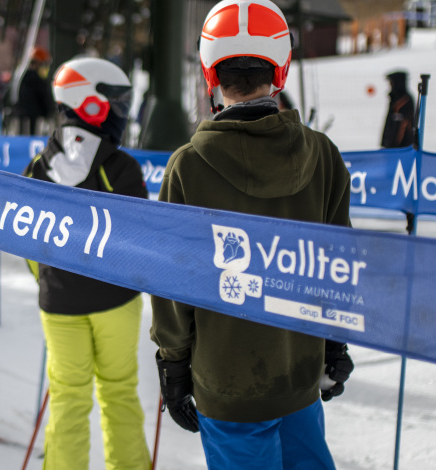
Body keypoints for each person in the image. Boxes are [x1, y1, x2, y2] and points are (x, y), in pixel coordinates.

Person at [150, 1, 355, 468]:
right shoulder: (322, 155)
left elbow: (174, 278)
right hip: (299, 373)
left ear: (210, 72)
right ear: (279, 69)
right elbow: (338, 264)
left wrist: (173, 363)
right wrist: (334, 342)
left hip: (228, 383)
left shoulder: (189, 165)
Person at [23, 57, 151, 470]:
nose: (121, 111)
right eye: (115, 101)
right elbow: (140, 241)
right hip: (117, 301)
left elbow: (26, 242)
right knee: (118, 391)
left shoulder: (37, 168)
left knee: (67, 395)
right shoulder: (122, 168)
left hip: (59, 304)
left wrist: (49, 279)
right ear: (91, 103)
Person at [14, 47, 55, 135]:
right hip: (34, 120)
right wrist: (49, 112)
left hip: (23, 118)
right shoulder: (36, 79)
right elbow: (44, 98)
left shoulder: (22, 76)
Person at [381, 70, 415, 148]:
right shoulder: (394, 97)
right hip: (391, 143)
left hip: (401, 145)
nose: (390, 84)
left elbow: (403, 125)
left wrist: (392, 144)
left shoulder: (404, 99)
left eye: (391, 82)